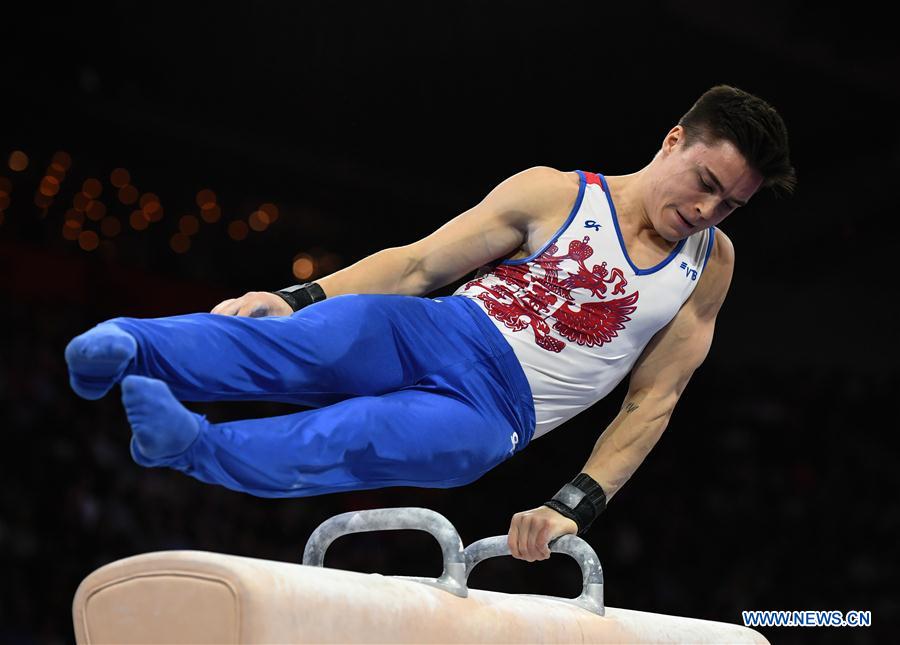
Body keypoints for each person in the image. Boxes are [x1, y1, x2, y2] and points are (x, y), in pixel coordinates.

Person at [65, 84, 795, 563]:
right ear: (673, 141)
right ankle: (130, 344)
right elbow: (416, 265)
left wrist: (573, 503)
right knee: (302, 342)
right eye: (705, 183)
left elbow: (653, 399)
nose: (707, 211)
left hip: (491, 413)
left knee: (349, 437)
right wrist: (295, 296)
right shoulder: (554, 193)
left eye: (730, 204)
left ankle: (188, 445)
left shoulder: (710, 265)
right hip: (437, 329)